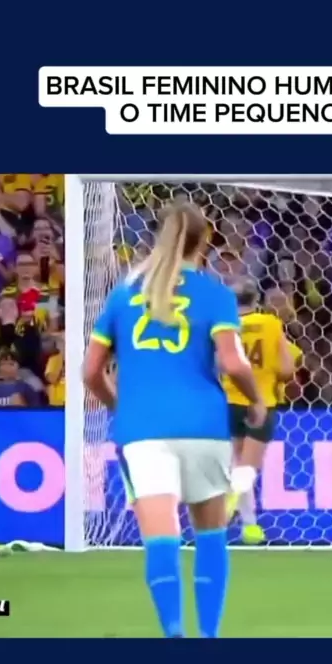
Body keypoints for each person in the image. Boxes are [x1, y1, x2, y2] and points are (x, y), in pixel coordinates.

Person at [83, 203, 265, 639]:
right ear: (205, 242)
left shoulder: (123, 295)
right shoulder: (215, 294)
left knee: (161, 538)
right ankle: (209, 637)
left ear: (155, 237)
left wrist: (118, 405)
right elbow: (233, 362)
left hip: (143, 429)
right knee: (210, 536)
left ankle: (174, 635)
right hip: (204, 425)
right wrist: (257, 399)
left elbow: (90, 372)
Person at [221, 278, 295, 545]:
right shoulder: (271, 324)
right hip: (261, 402)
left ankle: (250, 526)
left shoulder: (225, 328)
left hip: (230, 400)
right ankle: (231, 503)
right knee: (247, 467)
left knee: (237, 462)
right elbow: (287, 370)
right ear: (257, 300)